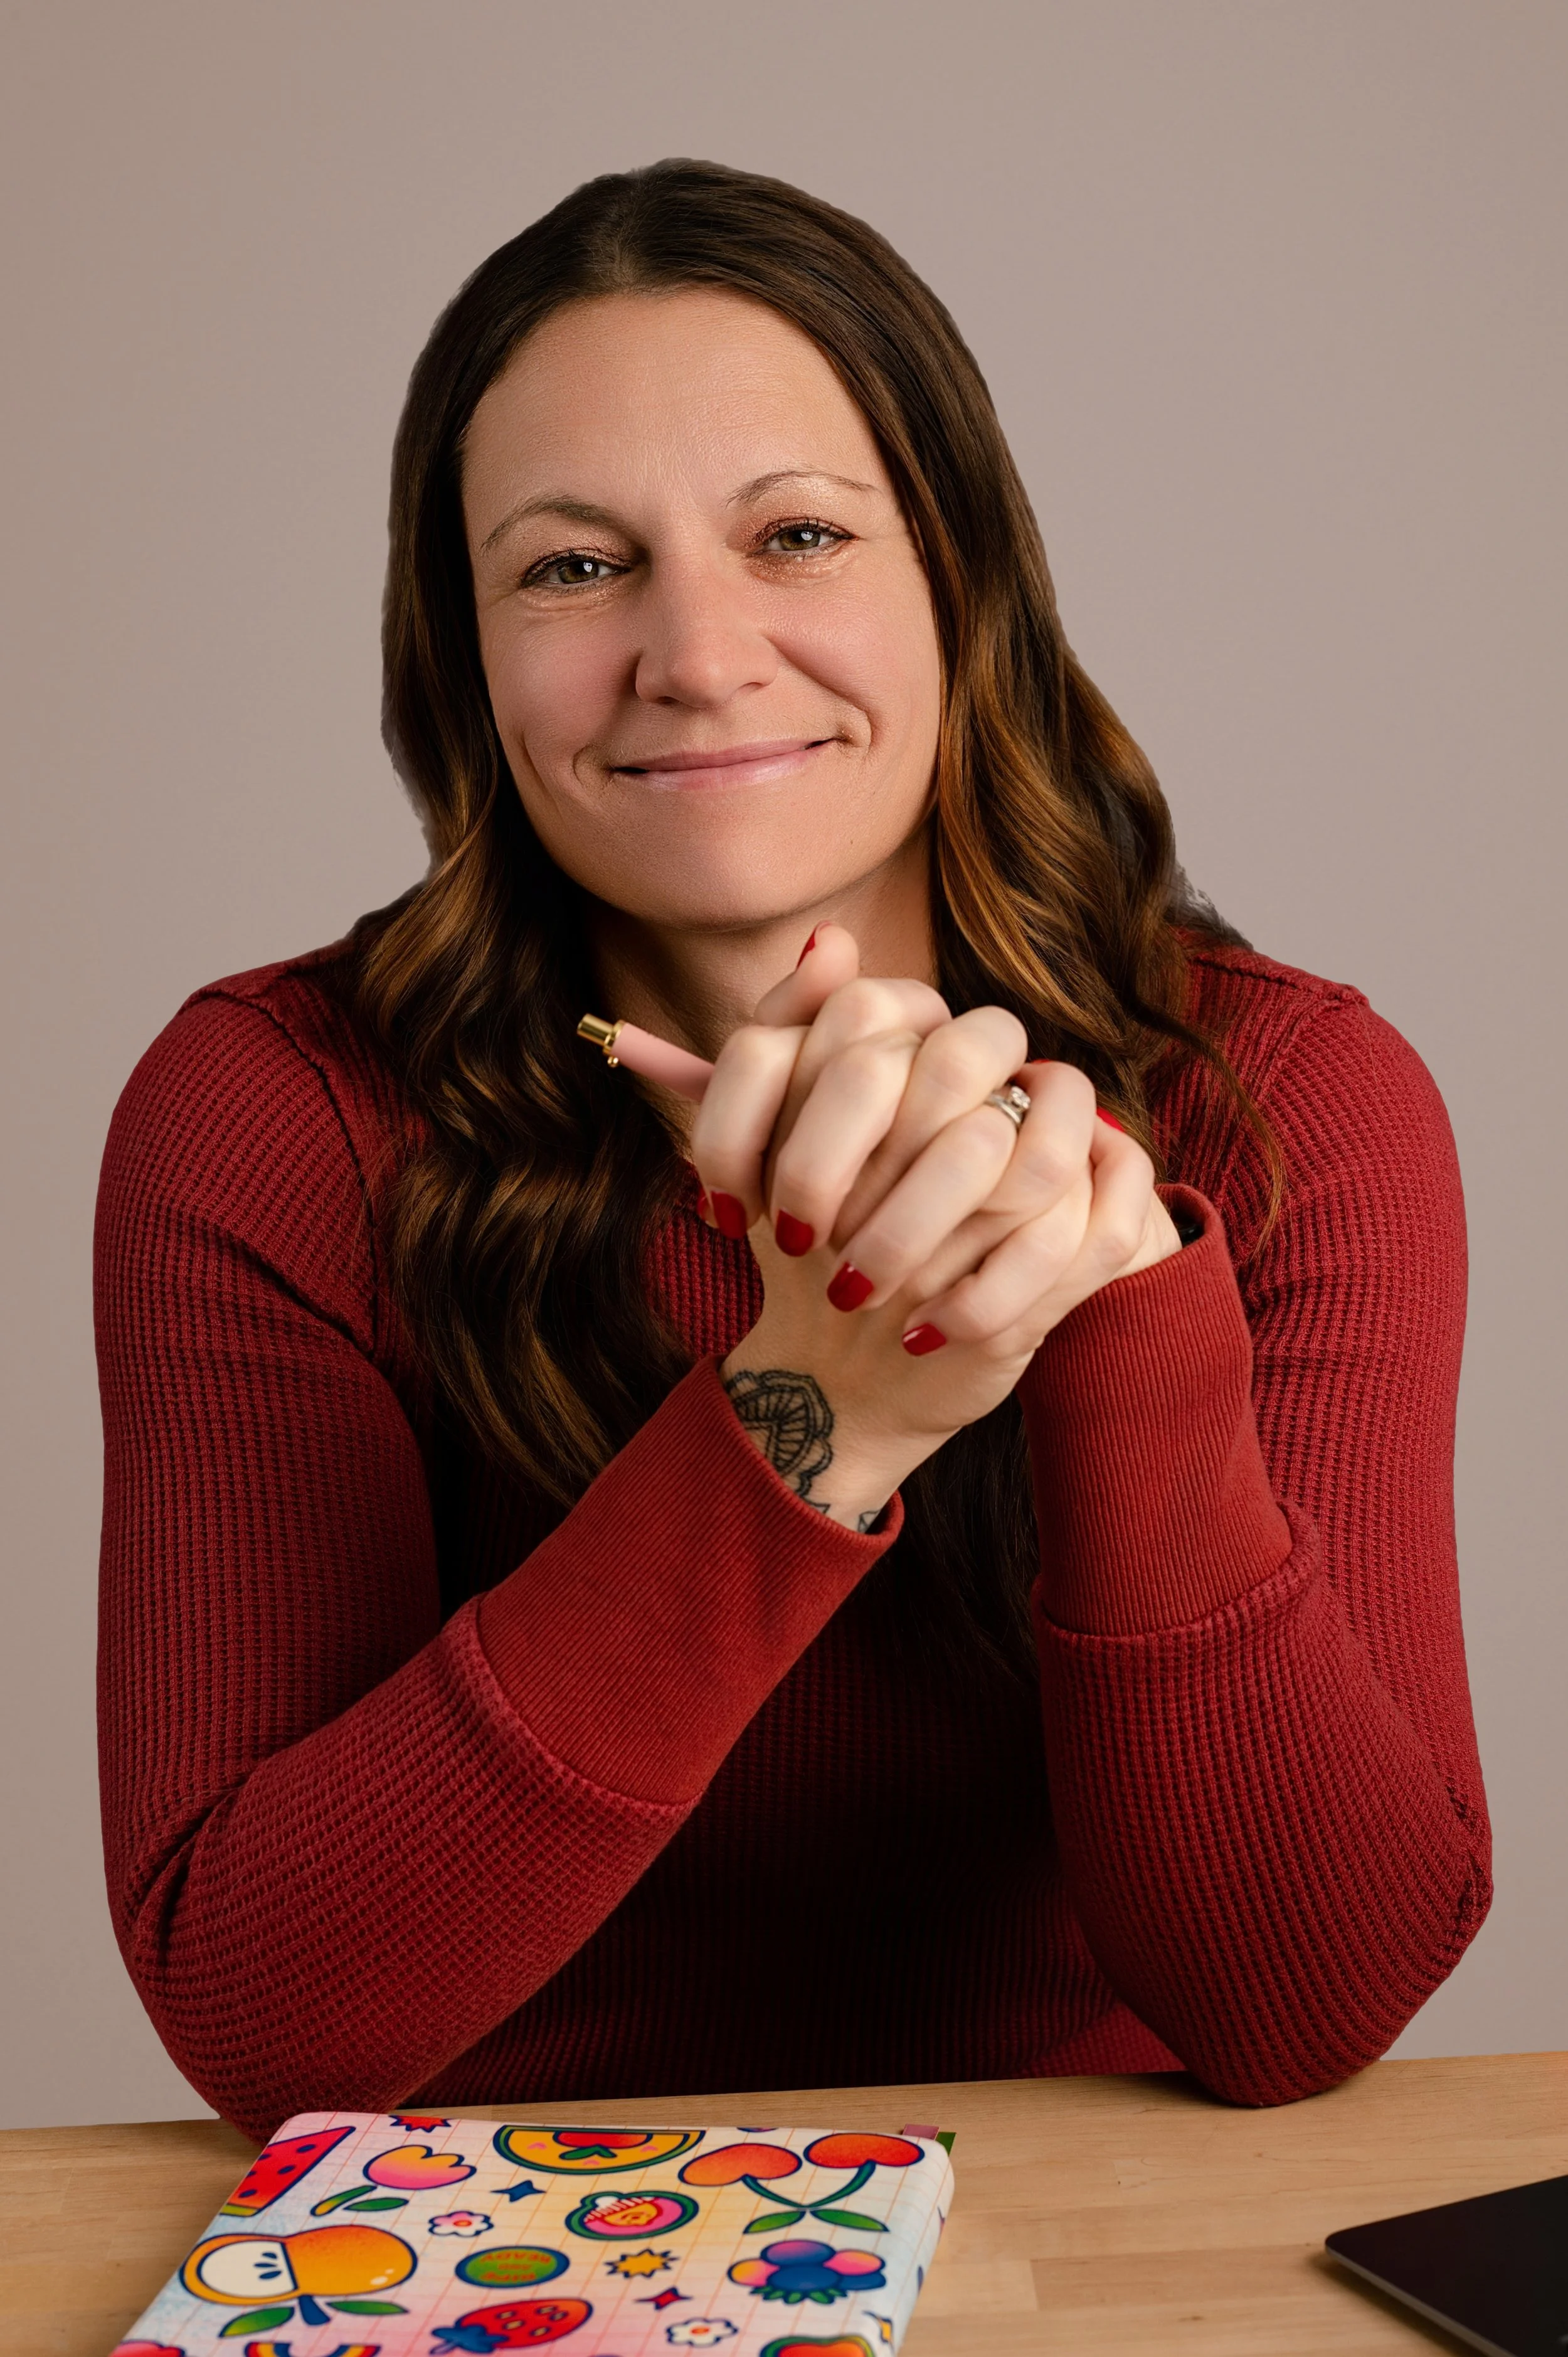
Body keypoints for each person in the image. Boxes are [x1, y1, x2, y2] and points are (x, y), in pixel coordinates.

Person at [95, 159, 1488, 2147]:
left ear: (957, 581)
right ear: (464, 659)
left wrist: (1114, 1323)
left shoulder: (1280, 1104)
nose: (697, 650)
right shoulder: (277, 1112)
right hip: (499, 2270)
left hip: (1083, 2273)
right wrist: (806, 1409)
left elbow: (1302, 2000)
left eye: (798, 535)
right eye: (573, 569)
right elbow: (264, 2009)